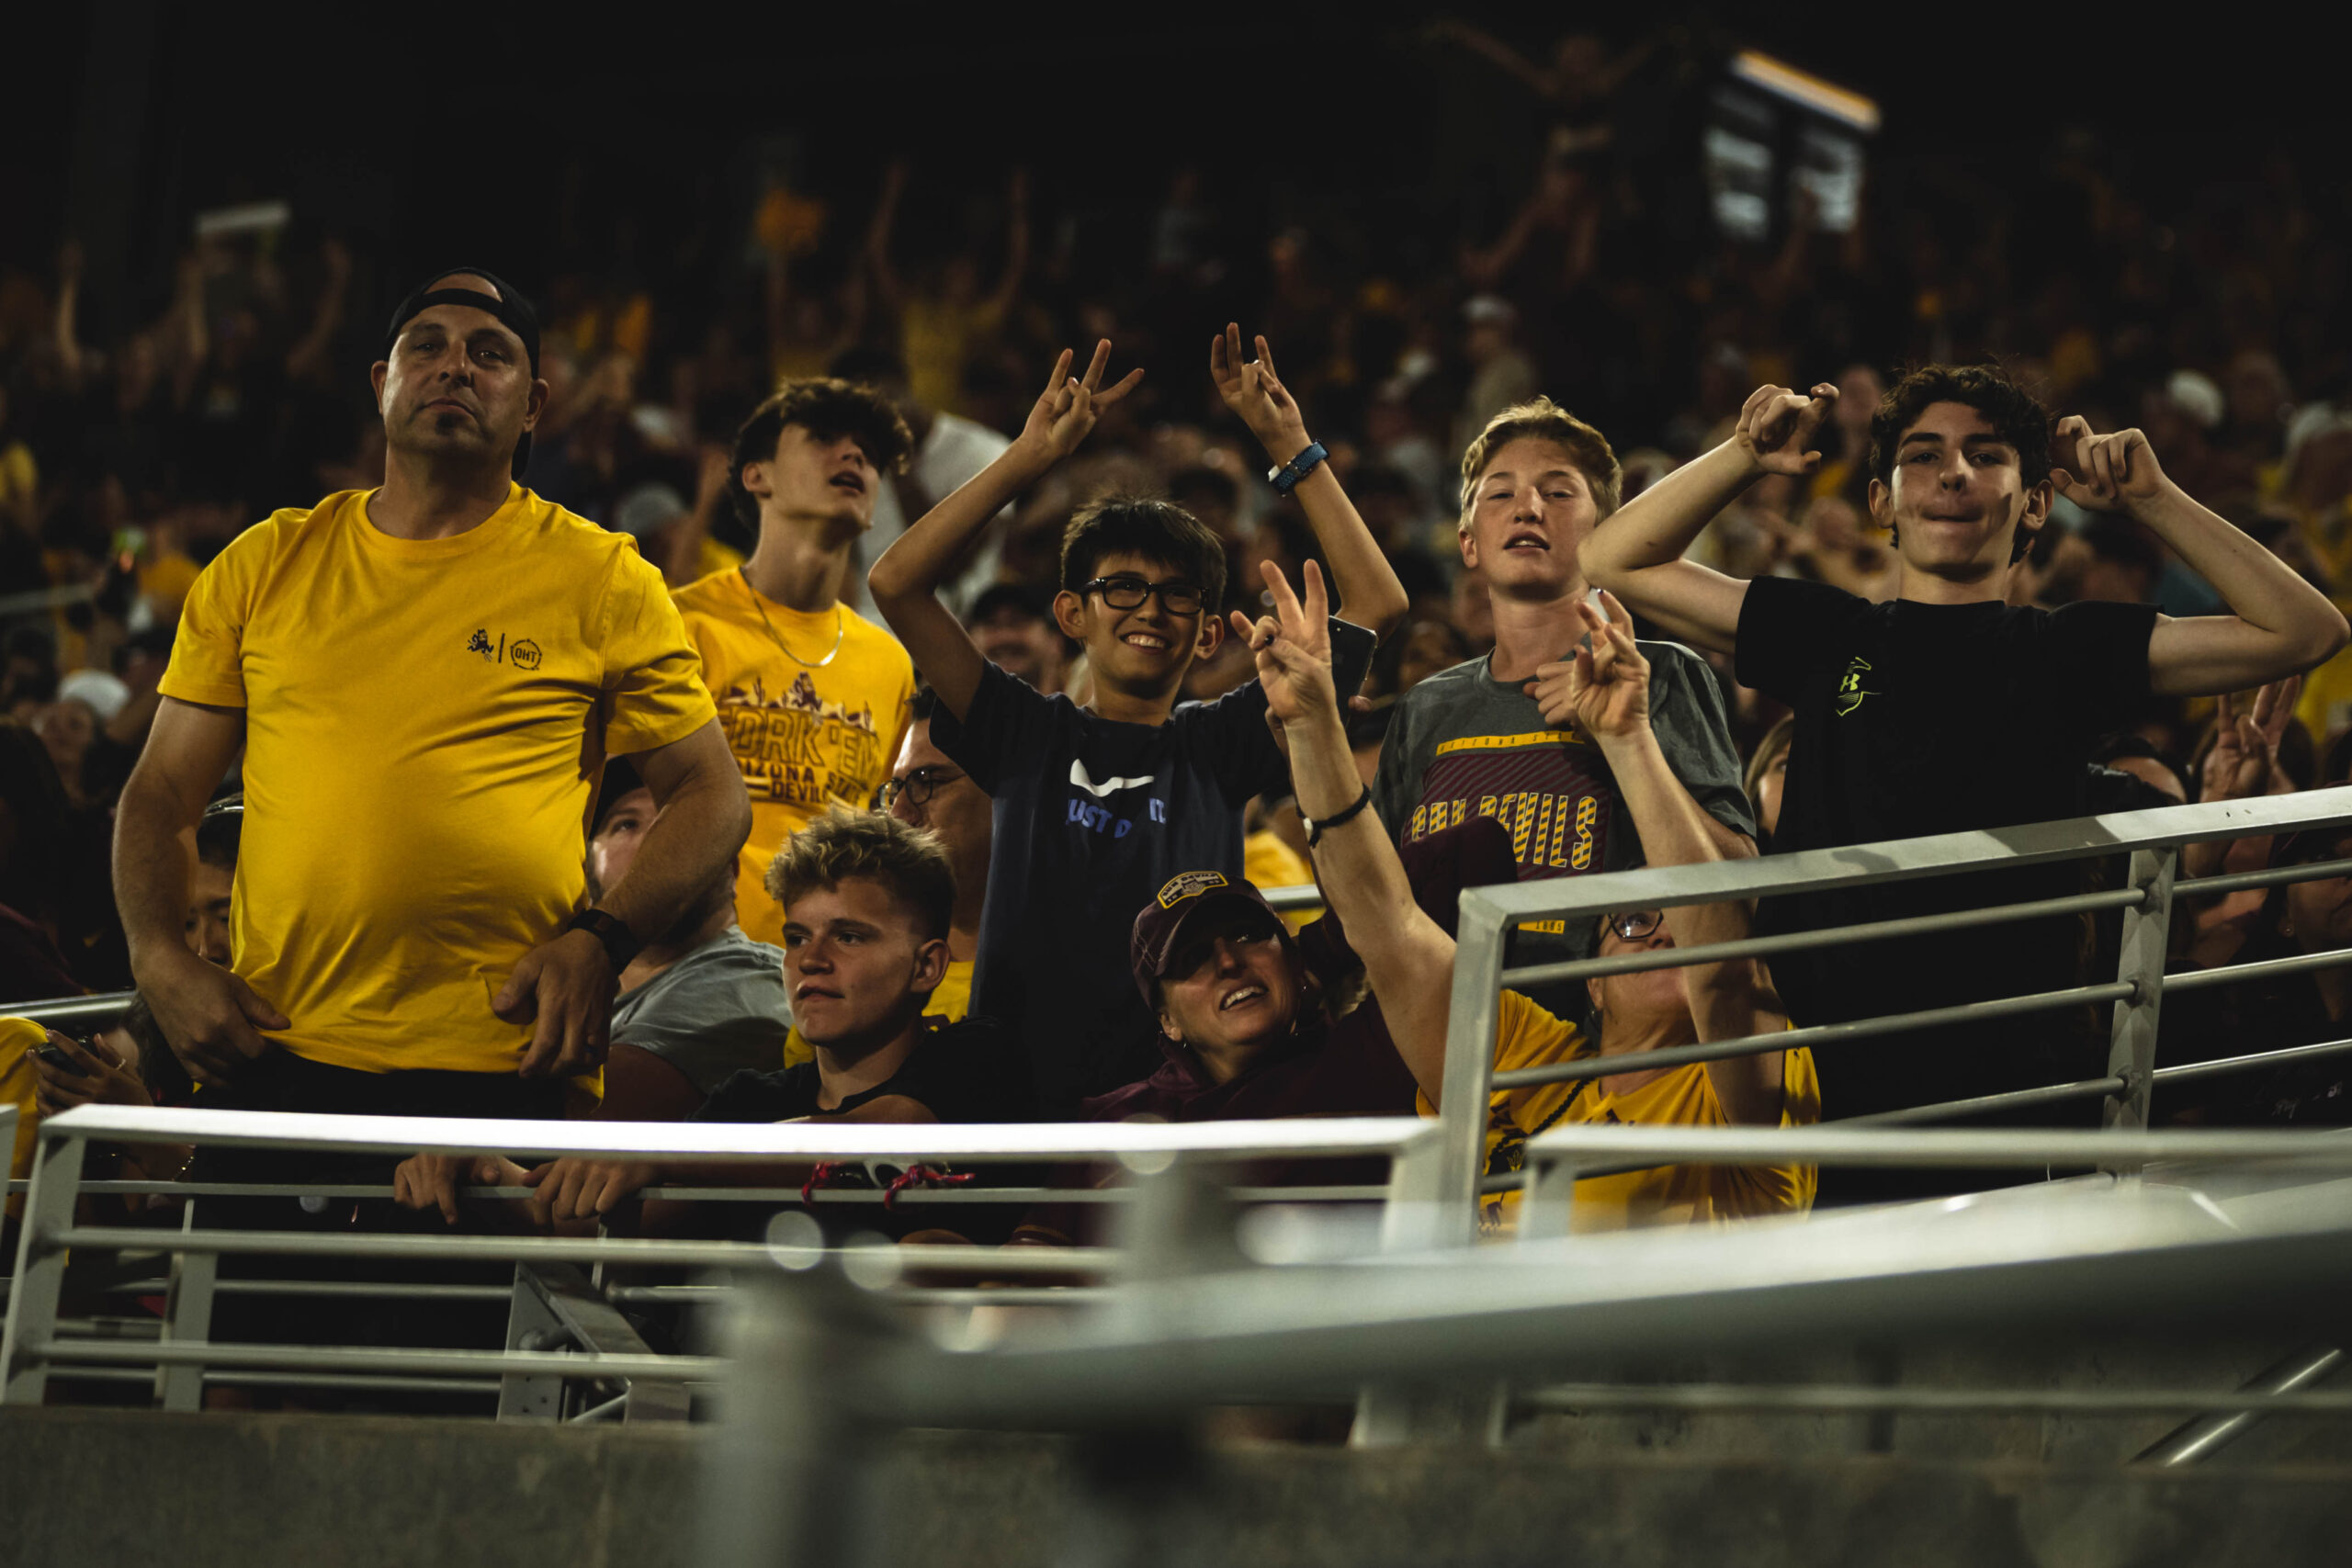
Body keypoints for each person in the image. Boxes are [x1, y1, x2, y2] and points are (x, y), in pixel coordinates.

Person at [1578, 365, 2349, 1179]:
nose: (1953, 472)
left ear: (2036, 502)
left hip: (2012, 1093)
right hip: (1833, 1087)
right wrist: (1741, 454)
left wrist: (2150, 498)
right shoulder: (1828, 631)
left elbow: (2306, 629)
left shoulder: (2065, 649)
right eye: (1923, 454)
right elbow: (1615, 556)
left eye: (1986, 455)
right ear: (1883, 501)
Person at [116, 266, 751, 1145]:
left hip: (506, 1058)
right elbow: (159, 794)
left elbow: (715, 795)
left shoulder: (601, 576)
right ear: (382, 383)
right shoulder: (265, 563)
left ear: (533, 407)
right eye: (429, 347)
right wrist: (158, 956)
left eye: (489, 355)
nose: (455, 366)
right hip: (275, 1044)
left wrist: (601, 942)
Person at [868, 332, 1408, 1111]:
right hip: (1016, 1095)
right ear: (1071, 614)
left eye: (1177, 593)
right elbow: (898, 582)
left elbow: (1380, 605)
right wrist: (1030, 458)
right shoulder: (1024, 730)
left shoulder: (1217, 744)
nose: (1150, 607)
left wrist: (1288, 444)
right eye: (1121, 587)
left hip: (1175, 1098)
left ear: (1209, 632)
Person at [1244, 559, 1815, 1230]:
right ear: (1593, 984)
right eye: (1632, 920)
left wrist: (1628, 737)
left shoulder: (1739, 1085)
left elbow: (1721, 954)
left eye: (1671, 918)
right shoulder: (1528, 1053)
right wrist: (1313, 728)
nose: (1665, 930)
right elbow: (1388, 927)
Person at [398, 808, 1029, 1229]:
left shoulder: (975, 1057)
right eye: (796, 935)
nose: (811, 958)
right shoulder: (750, 1101)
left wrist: (672, 1156)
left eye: (850, 937)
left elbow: (881, 1131)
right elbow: (619, 1221)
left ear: (926, 967)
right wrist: (489, 1174)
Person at [1373, 399, 1753, 1014]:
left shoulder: (1663, 674)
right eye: (1500, 495)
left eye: (1558, 492)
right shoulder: (1425, 707)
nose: (1528, 507)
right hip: (1445, 1046)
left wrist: (1626, 739)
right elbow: (1380, 905)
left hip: (1605, 1061)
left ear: (1603, 531)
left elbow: (1739, 891)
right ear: (1468, 544)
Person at [671, 378, 919, 953]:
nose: (854, 455)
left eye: (870, 454)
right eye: (825, 438)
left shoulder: (890, 662)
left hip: (827, 975)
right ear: (757, 475)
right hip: (689, 961)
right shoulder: (681, 626)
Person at [589, 758, 794, 1118]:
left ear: (729, 870)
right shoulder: (581, 990)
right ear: (586, 870)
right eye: (626, 824)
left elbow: (599, 1114)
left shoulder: (750, 977)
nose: (654, 838)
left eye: (679, 823)